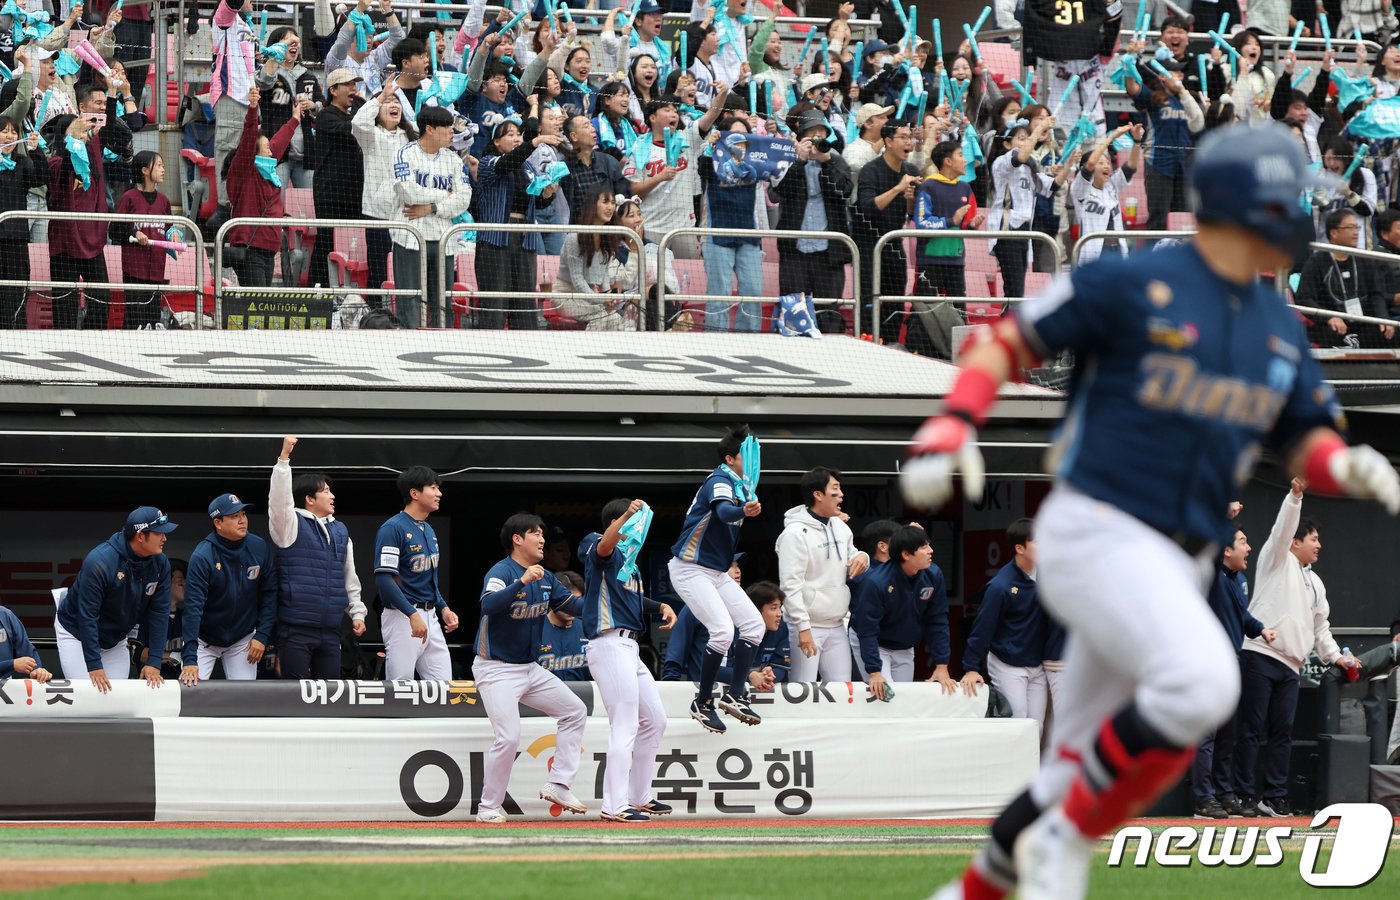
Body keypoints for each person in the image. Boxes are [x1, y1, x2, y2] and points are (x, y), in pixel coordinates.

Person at [912, 123, 1400, 900]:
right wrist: (952, 420)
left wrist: (1347, 463)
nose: (1299, 215)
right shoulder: (1135, 282)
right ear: (1247, 204)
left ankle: (991, 876)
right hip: (1099, 527)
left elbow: (1305, 438)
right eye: (1287, 199)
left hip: (1182, 559)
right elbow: (1011, 340)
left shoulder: (1276, 323)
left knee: (1111, 760)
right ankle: (1050, 836)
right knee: (1202, 683)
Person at [1233, 480, 1356, 818]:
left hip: (1291, 666)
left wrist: (1337, 657)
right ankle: (1243, 795)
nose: (1319, 545)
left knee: (1282, 733)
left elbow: (1321, 628)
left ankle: (1273, 797)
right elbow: (1283, 527)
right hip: (1259, 654)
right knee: (1249, 729)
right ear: (1295, 542)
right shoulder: (1276, 559)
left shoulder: (1316, 583)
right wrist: (1295, 496)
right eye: (1313, 538)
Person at [474, 512, 589, 823]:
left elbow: (573, 607)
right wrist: (521, 581)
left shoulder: (547, 577)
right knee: (509, 737)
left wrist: (605, 603)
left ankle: (560, 784)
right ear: (517, 539)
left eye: (542, 533)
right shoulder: (502, 571)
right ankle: (487, 808)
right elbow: (488, 605)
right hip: (495, 668)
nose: (542, 539)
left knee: (574, 711)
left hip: (529, 668)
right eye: (535, 533)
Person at [580, 497, 678, 822]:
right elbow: (604, 548)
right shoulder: (597, 540)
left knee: (655, 720)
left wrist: (660, 606)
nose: (639, 527)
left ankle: (639, 796)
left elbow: (630, 598)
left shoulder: (631, 560)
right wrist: (624, 517)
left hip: (630, 647)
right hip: (608, 642)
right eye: (634, 522)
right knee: (624, 724)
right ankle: (614, 805)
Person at [667, 424, 766, 733]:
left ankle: (736, 694)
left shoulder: (742, 485)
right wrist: (743, 511)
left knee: (754, 625)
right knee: (722, 631)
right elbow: (723, 512)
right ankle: (704, 701)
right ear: (730, 458)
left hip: (716, 572)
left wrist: (744, 506)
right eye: (743, 456)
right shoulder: (720, 479)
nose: (749, 461)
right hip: (689, 567)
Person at [1193, 524, 1278, 819]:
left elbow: (1242, 616)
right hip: (1208, 663)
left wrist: (1261, 629)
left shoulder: (1239, 579)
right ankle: (1203, 800)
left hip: (1232, 664)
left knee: (1228, 735)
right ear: (1225, 550)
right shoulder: (1211, 577)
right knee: (1208, 735)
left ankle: (1224, 794)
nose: (1249, 548)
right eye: (1243, 541)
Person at [268, 435, 367, 680]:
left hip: (331, 631)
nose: (332, 495)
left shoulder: (341, 531)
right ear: (309, 499)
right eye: (326, 491)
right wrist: (283, 460)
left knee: (329, 697)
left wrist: (357, 613)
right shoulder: (290, 525)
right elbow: (279, 502)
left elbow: (348, 577)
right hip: (295, 630)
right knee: (294, 697)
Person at [55, 506, 176, 692]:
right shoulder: (101, 561)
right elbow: (88, 616)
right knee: (88, 695)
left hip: (116, 638)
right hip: (77, 634)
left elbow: (159, 612)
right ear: (140, 535)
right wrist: (94, 665)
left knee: (116, 698)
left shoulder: (160, 563)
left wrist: (154, 661)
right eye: (159, 533)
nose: (165, 538)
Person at [775, 466, 868, 683]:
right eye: (835, 490)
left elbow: (852, 556)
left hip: (836, 624)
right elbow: (790, 585)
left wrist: (864, 556)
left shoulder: (841, 527)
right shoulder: (794, 534)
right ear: (818, 495)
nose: (841, 495)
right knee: (802, 691)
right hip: (805, 626)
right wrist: (803, 628)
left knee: (843, 691)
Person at [178, 493, 278, 686]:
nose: (242, 521)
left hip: (243, 637)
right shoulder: (203, 555)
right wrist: (190, 658)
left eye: (243, 514)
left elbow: (271, 593)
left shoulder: (258, 547)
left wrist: (262, 635)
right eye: (234, 516)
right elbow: (192, 609)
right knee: (190, 693)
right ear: (218, 523)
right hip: (204, 639)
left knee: (245, 700)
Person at [960, 518, 1049, 729]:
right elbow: (982, 628)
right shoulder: (1000, 586)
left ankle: (1031, 764)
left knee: (1037, 728)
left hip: (1038, 664)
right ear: (1020, 548)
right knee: (1017, 724)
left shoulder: (1049, 575)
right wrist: (971, 667)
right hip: (1008, 664)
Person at [390, 105, 473, 328]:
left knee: (441, 300)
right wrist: (444, 195)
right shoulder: (404, 153)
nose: (451, 134)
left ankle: (439, 341)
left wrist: (431, 208)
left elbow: (464, 199)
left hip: (443, 239)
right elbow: (406, 191)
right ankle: (409, 341)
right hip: (410, 237)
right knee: (410, 298)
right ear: (430, 129)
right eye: (447, 128)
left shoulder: (454, 160)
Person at [472, 113, 554, 330]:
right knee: (495, 300)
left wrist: (548, 192)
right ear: (496, 141)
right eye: (511, 134)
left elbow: (537, 202)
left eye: (519, 134)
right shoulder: (488, 163)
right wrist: (534, 142)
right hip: (495, 240)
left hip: (525, 239)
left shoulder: (527, 169)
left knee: (524, 300)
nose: (517, 138)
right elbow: (507, 163)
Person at [375, 466, 459, 681]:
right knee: (400, 687)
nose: (439, 493)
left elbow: (427, 579)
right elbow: (384, 578)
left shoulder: (428, 529)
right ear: (414, 493)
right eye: (433, 487)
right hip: (403, 614)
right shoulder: (392, 528)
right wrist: (411, 614)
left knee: (443, 687)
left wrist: (443, 607)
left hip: (430, 615)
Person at [851, 525, 955, 695]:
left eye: (929, 545)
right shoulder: (877, 582)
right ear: (906, 555)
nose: (931, 551)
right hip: (875, 642)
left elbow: (938, 621)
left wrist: (942, 665)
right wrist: (874, 671)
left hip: (904, 646)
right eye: (923, 547)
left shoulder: (933, 575)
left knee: (903, 698)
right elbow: (867, 630)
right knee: (886, 696)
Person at [773, 107, 853, 324]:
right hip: (795, 252)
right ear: (800, 138)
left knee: (828, 314)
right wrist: (799, 161)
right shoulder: (789, 160)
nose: (817, 137)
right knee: (794, 314)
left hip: (828, 253)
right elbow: (779, 192)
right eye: (812, 133)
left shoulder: (836, 160)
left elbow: (843, 192)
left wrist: (826, 162)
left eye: (822, 133)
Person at [223, 86, 305, 289]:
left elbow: (280, 141)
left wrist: (294, 119)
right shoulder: (245, 171)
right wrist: (253, 108)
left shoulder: (268, 169)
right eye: (266, 147)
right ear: (255, 152)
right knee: (256, 305)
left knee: (261, 307)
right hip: (250, 250)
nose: (271, 150)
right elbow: (248, 138)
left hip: (269, 250)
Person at [987, 119, 1074, 301]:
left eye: (1028, 138)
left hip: (1024, 231)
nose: (1027, 142)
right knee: (1014, 288)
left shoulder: (1030, 169)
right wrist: (1040, 128)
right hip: (1007, 230)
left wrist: (1069, 163)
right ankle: (1009, 323)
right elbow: (1020, 156)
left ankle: (1011, 321)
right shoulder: (1002, 163)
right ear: (1006, 143)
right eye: (1021, 138)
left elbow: (1053, 186)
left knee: (1018, 288)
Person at [854, 121, 921, 344]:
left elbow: (912, 215)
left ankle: (891, 344)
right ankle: (867, 341)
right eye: (903, 137)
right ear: (888, 142)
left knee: (895, 299)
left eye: (909, 137)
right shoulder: (870, 170)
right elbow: (867, 207)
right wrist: (897, 189)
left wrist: (910, 200)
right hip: (868, 245)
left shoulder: (911, 171)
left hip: (894, 243)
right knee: (869, 298)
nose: (908, 142)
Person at [351, 75, 417, 301]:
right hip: (377, 213)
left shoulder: (410, 138)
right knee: (378, 268)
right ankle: (376, 315)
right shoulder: (371, 137)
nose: (394, 105)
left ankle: (405, 313)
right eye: (389, 102)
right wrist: (380, 97)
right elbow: (359, 122)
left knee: (404, 270)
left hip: (406, 215)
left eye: (397, 102)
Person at [662, 581, 791, 692]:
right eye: (774, 608)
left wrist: (767, 677)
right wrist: (751, 676)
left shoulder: (781, 628)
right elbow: (717, 671)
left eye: (780, 608)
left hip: (754, 693)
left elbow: (781, 668)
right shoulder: (729, 627)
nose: (779, 614)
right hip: (710, 692)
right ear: (755, 610)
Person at [1294, 208, 1396, 347]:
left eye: (1357, 227)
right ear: (1334, 233)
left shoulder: (1364, 259)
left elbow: (1375, 295)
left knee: (1387, 331)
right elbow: (1304, 298)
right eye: (1350, 227)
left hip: (1363, 322)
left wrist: (1384, 318)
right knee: (1333, 333)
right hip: (1332, 326)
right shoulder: (1317, 262)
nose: (1356, 232)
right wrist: (1329, 317)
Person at [47, 111, 111, 329]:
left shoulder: (93, 166)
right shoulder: (56, 162)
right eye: (75, 131)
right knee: (64, 303)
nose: (82, 136)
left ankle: (94, 339)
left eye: (83, 132)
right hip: (64, 244)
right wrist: (70, 142)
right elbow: (65, 168)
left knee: (101, 297)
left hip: (92, 240)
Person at [306, 68, 367, 290]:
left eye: (355, 84)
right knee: (326, 243)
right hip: (330, 194)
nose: (354, 89)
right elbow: (350, 130)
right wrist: (365, 107)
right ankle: (317, 288)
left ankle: (345, 288)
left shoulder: (351, 114)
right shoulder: (326, 116)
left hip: (354, 194)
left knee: (351, 246)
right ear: (333, 90)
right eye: (348, 85)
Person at [555, 185, 629, 329]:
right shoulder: (575, 237)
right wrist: (601, 300)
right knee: (600, 316)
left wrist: (608, 297)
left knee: (614, 318)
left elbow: (604, 277)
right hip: (565, 296)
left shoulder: (607, 238)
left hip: (589, 297)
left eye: (613, 203)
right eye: (605, 202)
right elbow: (577, 280)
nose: (610, 207)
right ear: (592, 205)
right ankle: (587, 350)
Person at [115, 150, 172, 330]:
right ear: (145, 170)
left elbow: (170, 230)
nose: (163, 170)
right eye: (159, 165)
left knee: (152, 322)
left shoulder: (164, 201)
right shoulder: (128, 198)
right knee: (134, 322)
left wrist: (174, 234)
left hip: (156, 271)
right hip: (134, 272)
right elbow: (114, 230)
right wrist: (134, 232)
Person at [1069, 124, 1143, 265]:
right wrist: (1113, 137)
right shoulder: (1079, 189)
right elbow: (1090, 162)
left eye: (1107, 163)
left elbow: (1131, 166)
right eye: (1101, 163)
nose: (1106, 166)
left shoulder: (1111, 186)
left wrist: (1137, 141)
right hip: (1093, 254)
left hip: (1118, 252)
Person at [0, 113, 44, 329]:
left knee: (15, 291)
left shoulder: (22, 162)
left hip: (16, 239)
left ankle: (13, 333)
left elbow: (40, 179)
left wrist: (37, 152)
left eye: (13, 132)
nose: (9, 136)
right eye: (4, 131)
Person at [0, 604, 51, 682]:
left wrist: (37, 670)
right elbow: (13, 664)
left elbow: (26, 650)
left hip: (5, 684)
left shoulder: (5, 614)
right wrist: (11, 664)